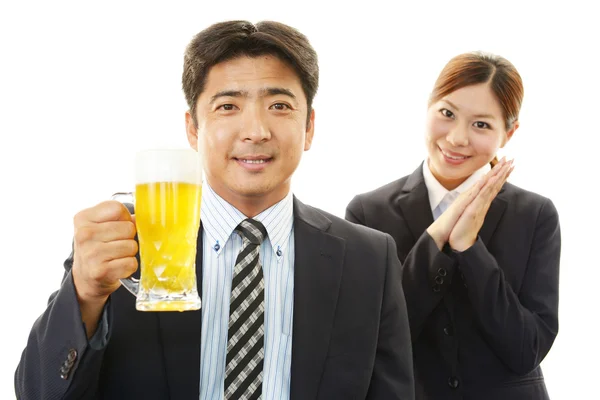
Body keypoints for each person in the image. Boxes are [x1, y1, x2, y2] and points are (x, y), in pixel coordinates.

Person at [15, 20, 415, 399]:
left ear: (309, 127)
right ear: (193, 128)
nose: (256, 130)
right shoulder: (125, 245)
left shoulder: (369, 260)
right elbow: (37, 392)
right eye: (228, 106)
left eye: (279, 105)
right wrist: (84, 294)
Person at [346, 52, 560, 400]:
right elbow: (372, 341)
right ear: (428, 107)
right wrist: (436, 238)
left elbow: (526, 350)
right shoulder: (367, 214)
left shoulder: (535, 215)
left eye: (481, 124)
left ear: (508, 133)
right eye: (447, 114)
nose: (457, 138)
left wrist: (469, 248)